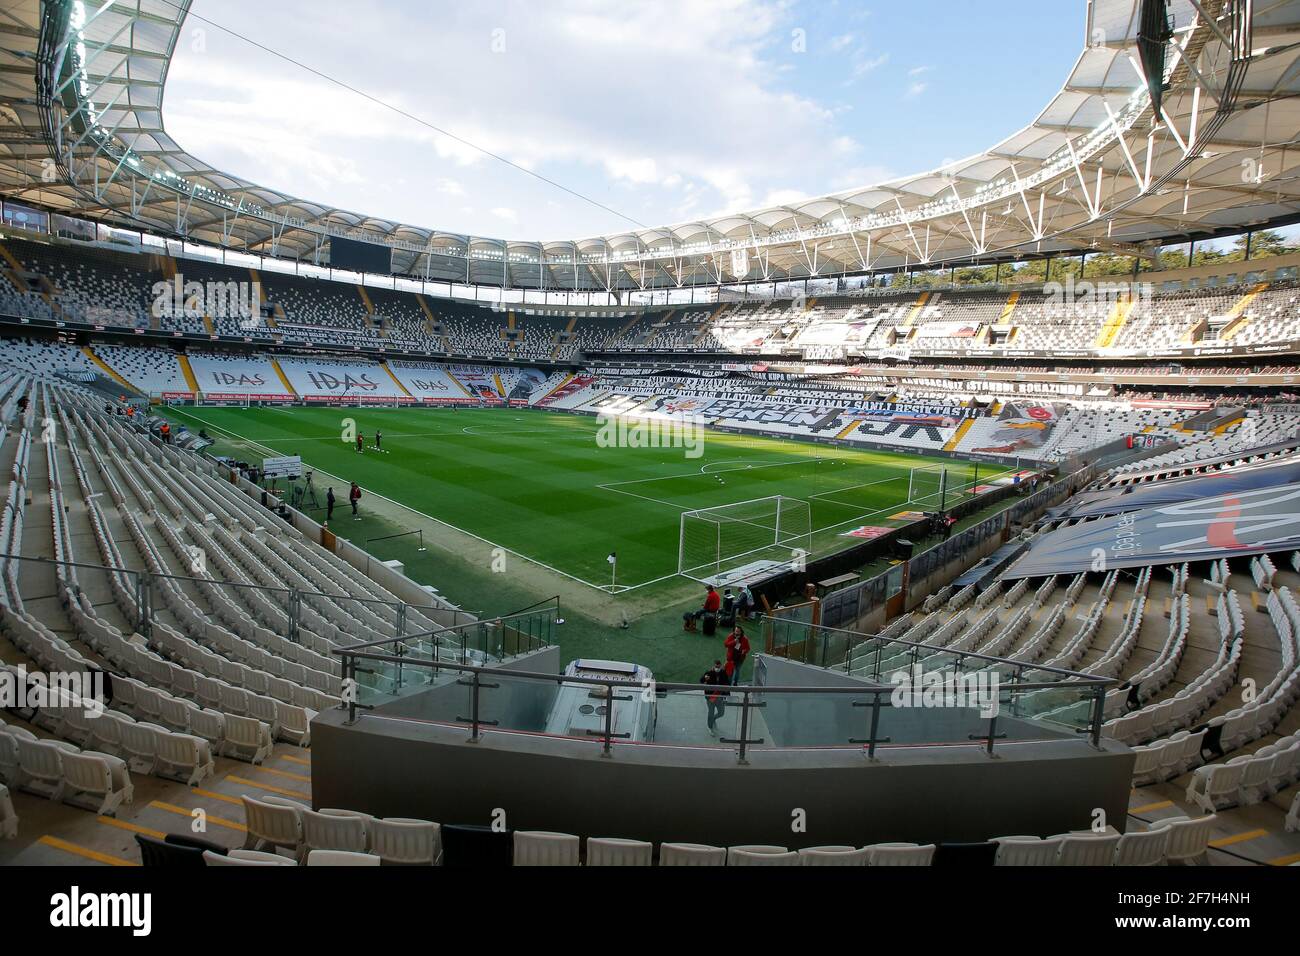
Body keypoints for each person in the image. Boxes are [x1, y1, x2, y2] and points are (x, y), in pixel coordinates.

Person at [699, 660, 728, 737]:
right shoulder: (708, 672)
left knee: (721, 713)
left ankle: (713, 719)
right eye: (716, 666)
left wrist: (726, 695)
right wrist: (705, 678)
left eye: (718, 667)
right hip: (710, 697)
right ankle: (710, 727)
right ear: (713, 666)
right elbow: (701, 680)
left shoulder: (723, 673)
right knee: (710, 713)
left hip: (719, 697)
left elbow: (727, 683)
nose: (717, 668)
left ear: (721, 666)